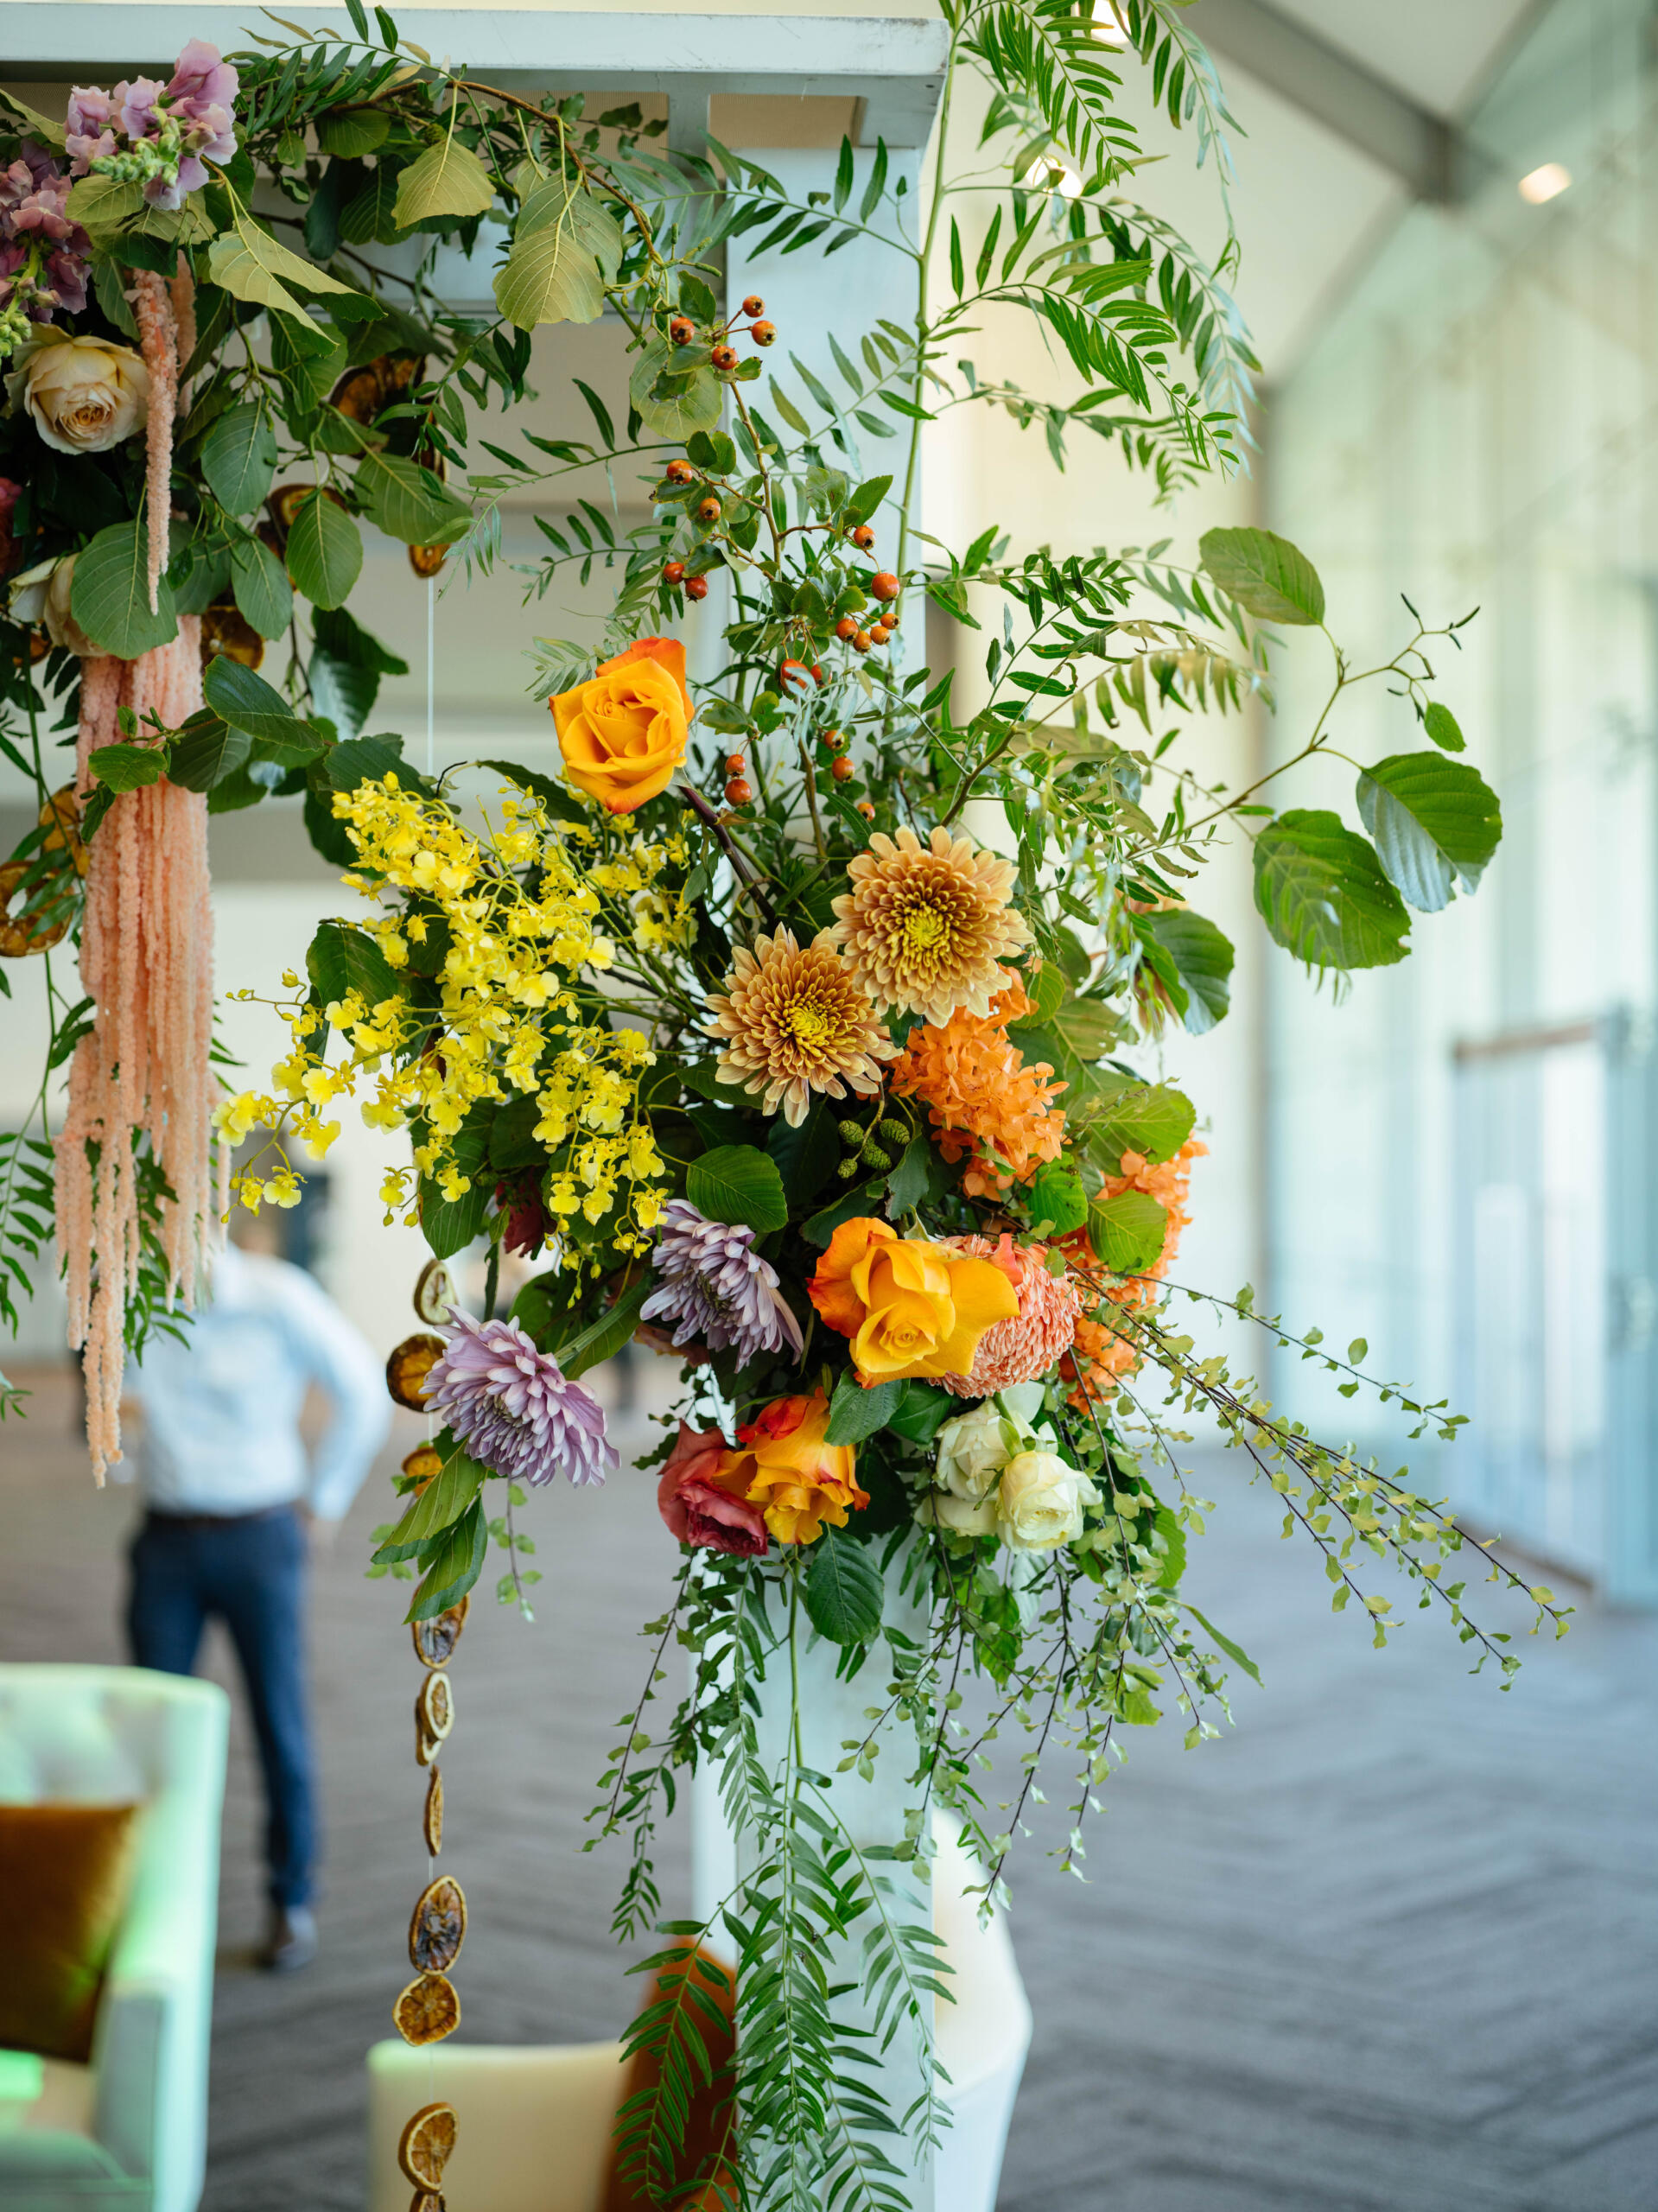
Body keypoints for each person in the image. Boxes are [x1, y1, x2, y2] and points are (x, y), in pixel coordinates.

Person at [120, 1218, 389, 1971]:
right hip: (166, 1537)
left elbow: (363, 1392)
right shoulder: (137, 1293)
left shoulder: (278, 1298)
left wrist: (326, 1500)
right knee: (153, 1727)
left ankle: (291, 1900)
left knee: (279, 1718)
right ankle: (147, 1900)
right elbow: (117, 1415)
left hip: (260, 1534)